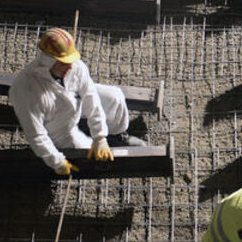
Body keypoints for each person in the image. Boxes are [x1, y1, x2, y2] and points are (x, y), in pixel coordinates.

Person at [8, 27, 145, 175]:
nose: (70, 66)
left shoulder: (74, 66)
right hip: (54, 123)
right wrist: (57, 162)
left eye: (71, 60)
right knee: (83, 152)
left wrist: (100, 137)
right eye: (63, 62)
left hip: (72, 103)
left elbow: (91, 98)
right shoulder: (27, 88)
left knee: (114, 97)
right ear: (48, 61)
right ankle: (81, 145)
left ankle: (117, 136)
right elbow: (36, 134)